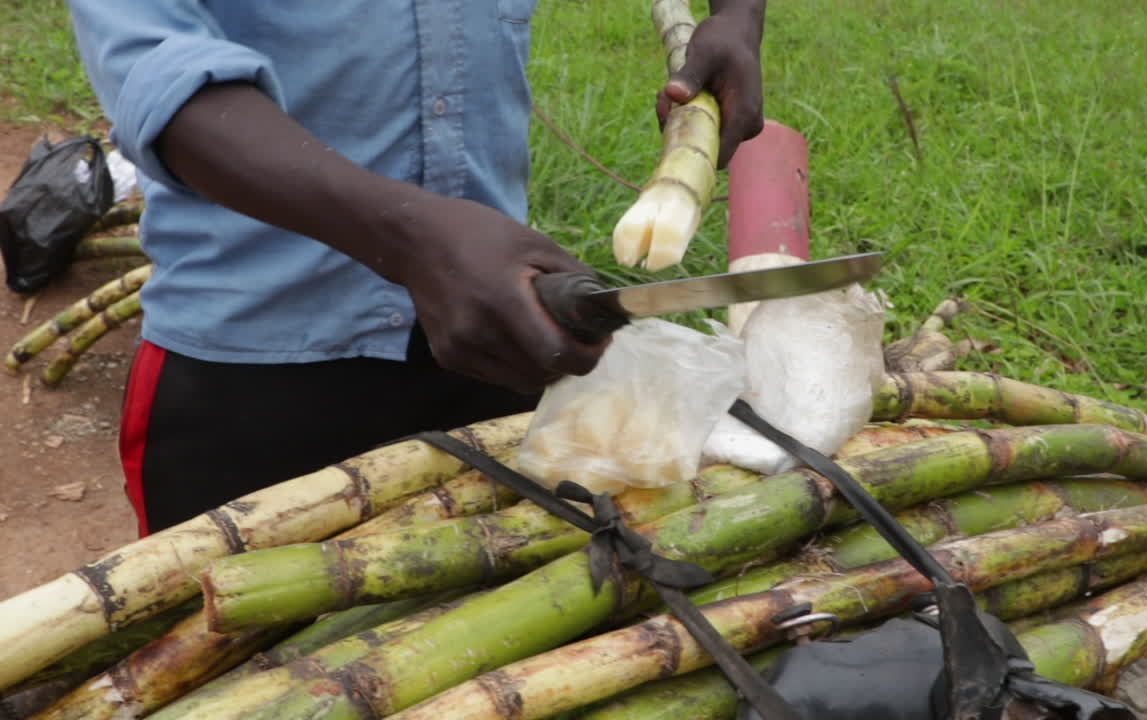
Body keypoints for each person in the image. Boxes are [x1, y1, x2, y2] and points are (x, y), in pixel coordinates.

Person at [66, 2, 766, 536]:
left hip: (497, 341)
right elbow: (161, 81)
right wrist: (411, 240)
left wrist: (736, 19)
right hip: (253, 373)